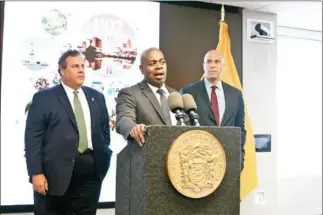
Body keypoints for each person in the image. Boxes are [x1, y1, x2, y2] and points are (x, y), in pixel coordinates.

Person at [24, 49, 112, 214]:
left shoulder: (97, 97)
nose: (81, 70)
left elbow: (104, 132)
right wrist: (36, 173)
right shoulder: (44, 98)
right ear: (62, 70)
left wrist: (103, 155)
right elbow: (33, 139)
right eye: (75, 66)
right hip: (54, 175)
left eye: (82, 66)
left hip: (90, 174)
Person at [180, 49, 246, 170]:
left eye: (217, 62)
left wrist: (240, 156)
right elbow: (183, 129)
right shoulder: (188, 92)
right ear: (203, 66)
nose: (212, 65)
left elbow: (241, 128)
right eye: (209, 61)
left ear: (222, 66)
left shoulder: (235, 94)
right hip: (199, 161)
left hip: (229, 160)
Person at [115, 47, 177, 146]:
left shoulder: (176, 95)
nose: (159, 66)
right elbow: (124, 119)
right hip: (148, 157)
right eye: (152, 63)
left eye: (162, 62)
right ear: (141, 69)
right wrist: (133, 129)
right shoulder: (130, 94)